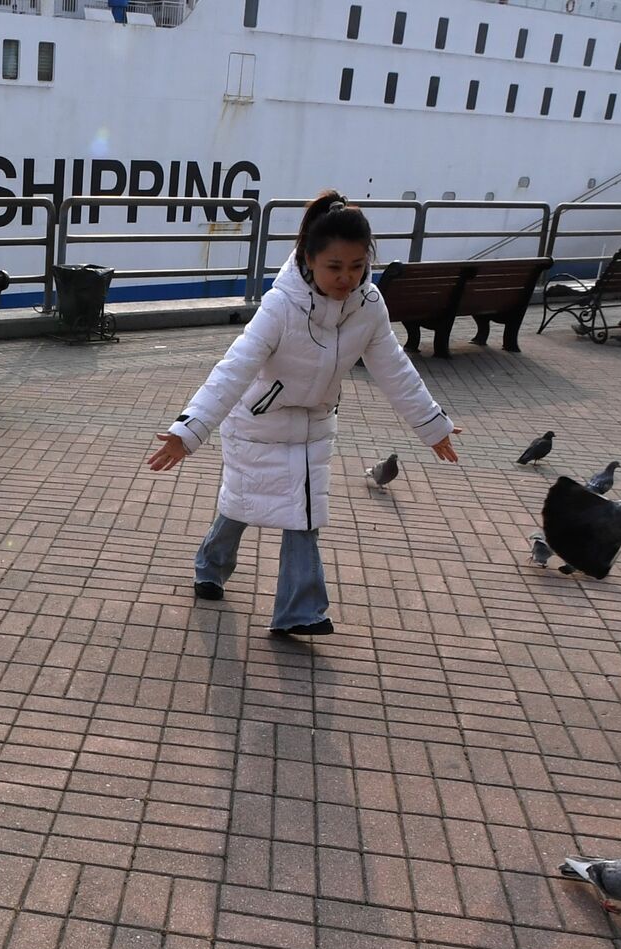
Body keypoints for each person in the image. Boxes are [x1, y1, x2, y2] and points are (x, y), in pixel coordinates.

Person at [147, 191, 462, 636]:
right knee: (242, 503)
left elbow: (395, 368)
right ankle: (210, 566)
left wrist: (433, 425)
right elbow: (235, 367)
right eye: (334, 267)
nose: (346, 279)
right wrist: (189, 429)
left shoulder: (368, 306)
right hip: (258, 421)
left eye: (356, 266)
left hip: (314, 423)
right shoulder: (281, 305)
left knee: (304, 514)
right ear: (308, 260)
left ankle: (300, 612)